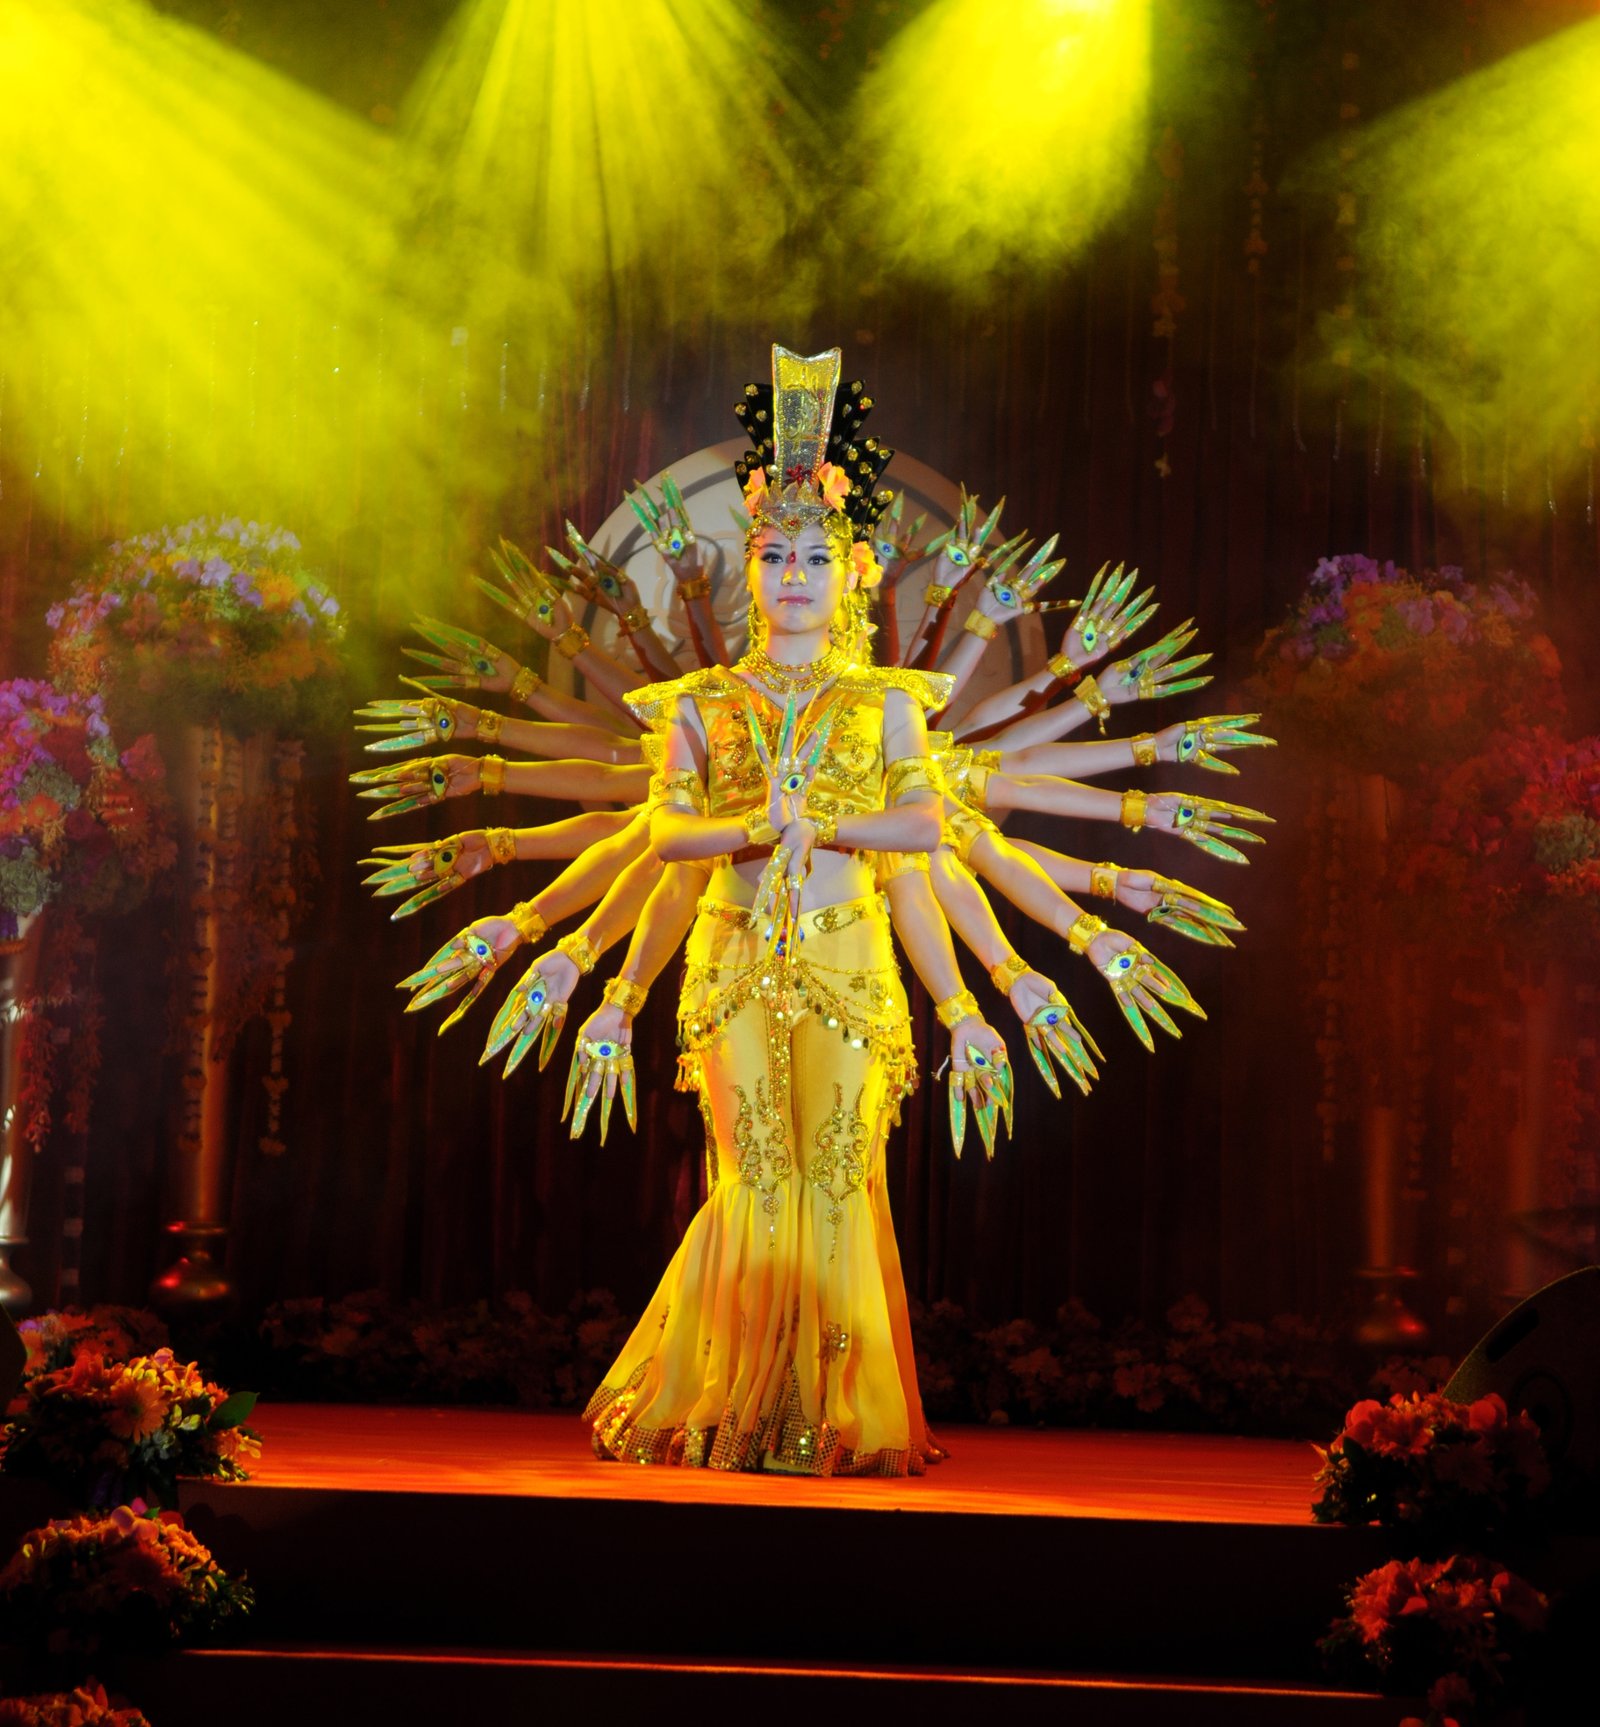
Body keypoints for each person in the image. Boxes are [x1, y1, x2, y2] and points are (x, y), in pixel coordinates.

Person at [351, 343, 1272, 1475]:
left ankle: (834, 1408)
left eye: (813, 556)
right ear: (748, 568)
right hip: (733, 963)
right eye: (774, 553)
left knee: (835, 1172)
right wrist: (751, 825)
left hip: (846, 963)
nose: (792, 574)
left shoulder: (888, 705)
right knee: (756, 1176)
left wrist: (821, 825)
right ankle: (736, 1398)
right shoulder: (698, 702)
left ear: (854, 573)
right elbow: (663, 830)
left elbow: (927, 825)